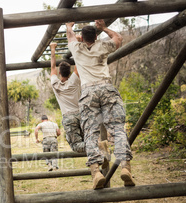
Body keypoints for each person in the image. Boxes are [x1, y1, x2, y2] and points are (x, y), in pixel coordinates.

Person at [66, 20, 135, 189]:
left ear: (81, 38)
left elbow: (70, 36)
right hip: (106, 88)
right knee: (118, 128)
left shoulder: (77, 48)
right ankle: (125, 167)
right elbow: (118, 38)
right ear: (96, 37)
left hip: (88, 92)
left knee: (90, 133)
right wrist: (104, 27)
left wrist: (69, 26)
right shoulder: (102, 46)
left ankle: (96, 172)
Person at [50, 43, 110, 160]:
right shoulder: (74, 80)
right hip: (82, 114)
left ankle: (99, 146)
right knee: (86, 140)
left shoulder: (55, 84)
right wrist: (77, 43)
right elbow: (78, 61)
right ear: (69, 72)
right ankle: (99, 157)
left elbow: (52, 68)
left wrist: (53, 49)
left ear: (60, 73)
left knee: (77, 146)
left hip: (69, 117)